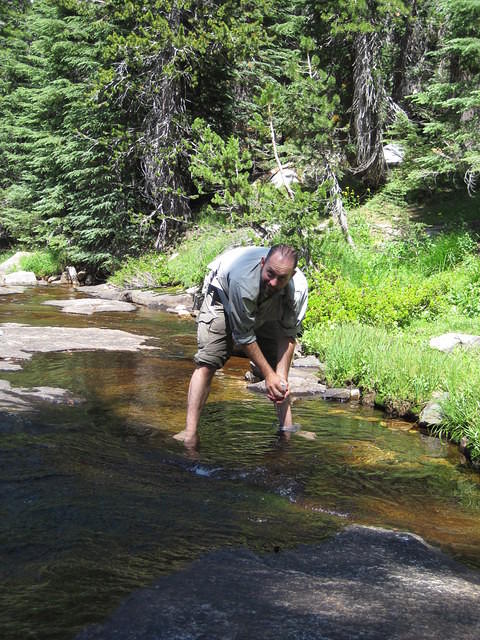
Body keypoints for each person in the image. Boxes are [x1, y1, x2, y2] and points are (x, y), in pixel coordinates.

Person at [174, 244, 308, 447]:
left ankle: (287, 429)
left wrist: (278, 377)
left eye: (281, 278)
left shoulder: (297, 289)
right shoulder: (242, 280)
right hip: (223, 294)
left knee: (279, 377)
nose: (273, 282)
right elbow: (243, 335)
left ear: (292, 275)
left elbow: (287, 334)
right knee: (208, 362)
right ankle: (190, 432)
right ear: (263, 263)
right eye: (270, 273)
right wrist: (268, 376)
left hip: (269, 304)